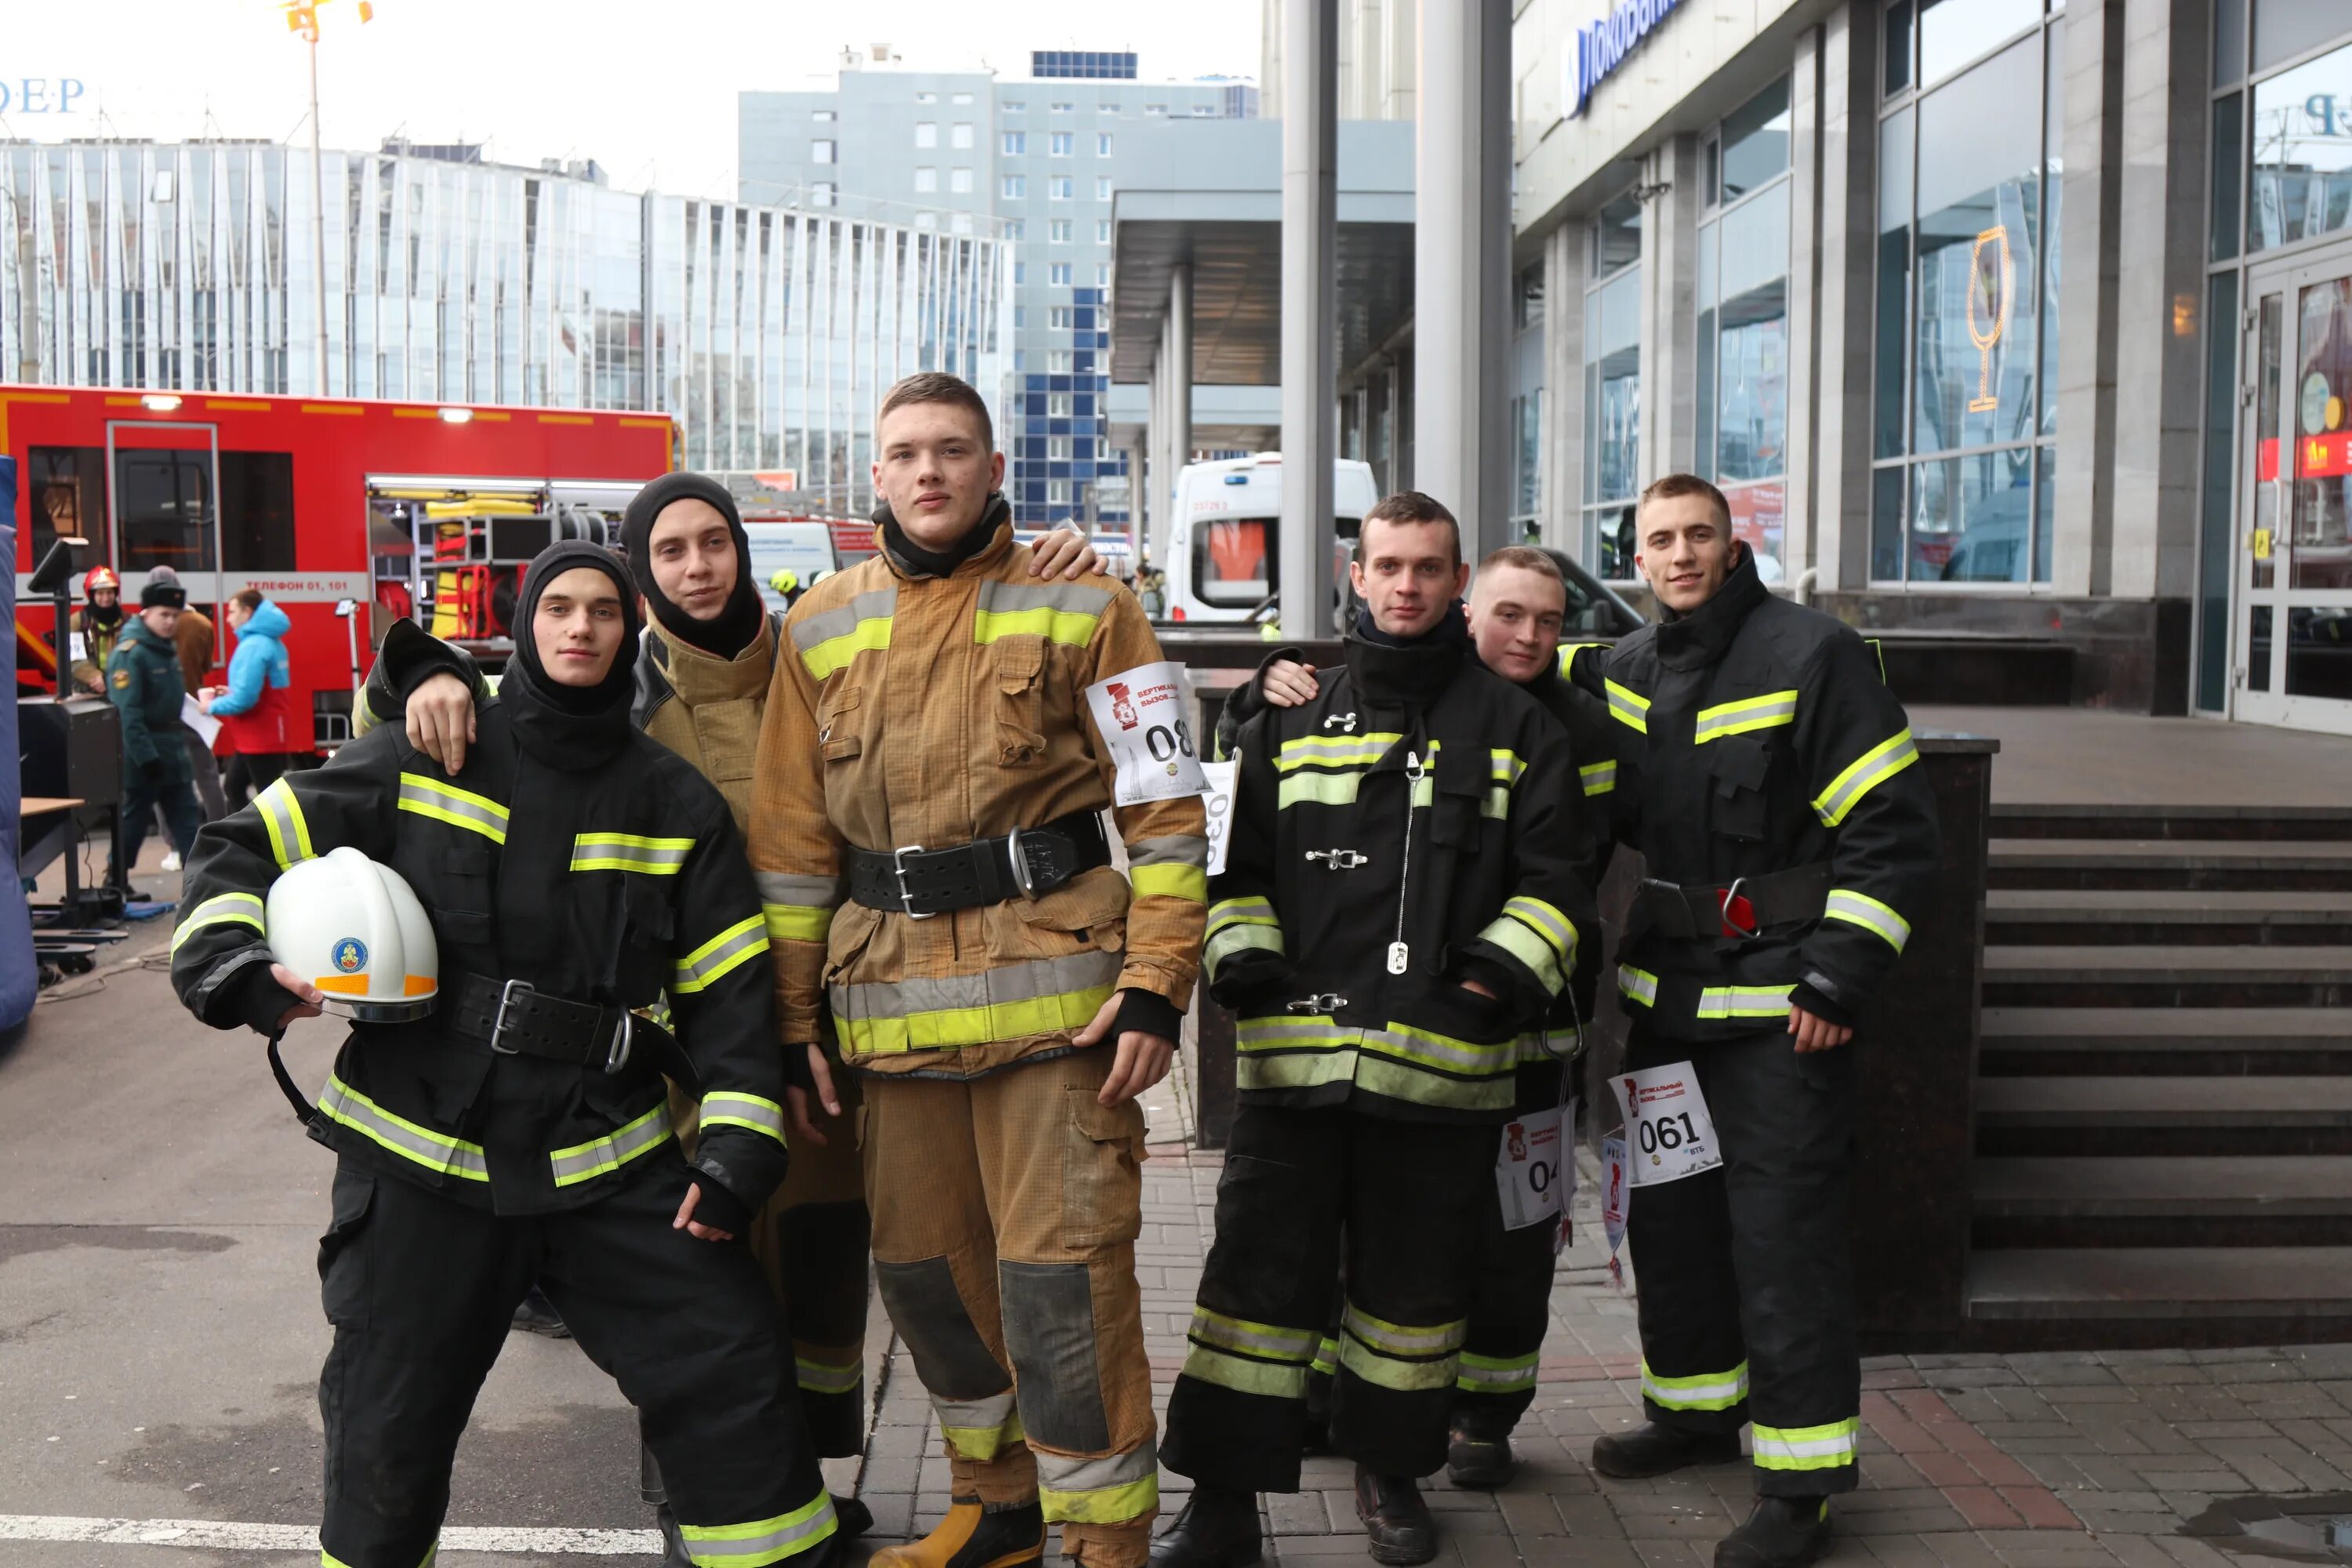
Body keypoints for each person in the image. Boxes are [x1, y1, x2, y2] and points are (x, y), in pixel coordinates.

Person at [370, 474, 1109, 1563]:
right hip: (685, 1040)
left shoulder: (815, 656)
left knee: (821, 1259)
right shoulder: (621, 690)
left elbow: (959, 655)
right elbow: (495, 711)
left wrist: (1057, 559)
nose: (697, 567)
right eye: (668, 553)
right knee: (701, 1274)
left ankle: (788, 1489)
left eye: (713, 542)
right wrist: (422, 667)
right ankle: (694, 1496)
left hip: (827, 1011)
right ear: (641, 573)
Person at [169, 541, 849, 1568]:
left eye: (604, 613)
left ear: (632, 634)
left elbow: (730, 996)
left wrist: (737, 1155)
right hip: (421, 1161)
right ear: (527, 622)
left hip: (606, 1160)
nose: (581, 628)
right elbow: (238, 846)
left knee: (732, 1377)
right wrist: (240, 970)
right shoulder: (427, 749)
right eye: (560, 608)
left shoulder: (675, 805)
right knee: (386, 1430)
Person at [751, 371, 1205, 1568]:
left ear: (994, 470)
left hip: (1060, 1016)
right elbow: (794, 851)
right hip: (888, 1019)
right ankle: (996, 1507)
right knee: (922, 1276)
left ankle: (1106, 1544)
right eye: (906, 453)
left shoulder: (1089, 603)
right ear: (877, 475)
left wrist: (1159, 981)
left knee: (1063, 1285)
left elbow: (1164, 811)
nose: (930, 471)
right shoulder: (819, 625)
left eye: (954, 450)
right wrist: (795, 1020)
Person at [1152, 494, 1594, 1568]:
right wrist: (1243, 964)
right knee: (1253, 1293)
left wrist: (1487, 991)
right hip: (1295, 1067)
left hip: (1443, 1074)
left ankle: (1394, 1476)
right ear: (1357, 577)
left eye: (1429, 567)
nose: (1407, 586)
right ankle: (1220, 1507)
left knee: (1410, 1298)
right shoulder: (1289, 712)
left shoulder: (1520, 728)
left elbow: (1559, 891)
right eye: (1389, 565)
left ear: (1457, 583)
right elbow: (1229, 865)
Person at [1566, 474, 1938, 1568]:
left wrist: (1838, 981)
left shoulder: (1814, 655)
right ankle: (1692, 1414)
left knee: (1785, 1245)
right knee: (1674, 1229)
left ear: (1734, 548)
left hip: (1784, 1012)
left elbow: (1895, 830)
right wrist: (1281, 688)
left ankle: (1801, 1481)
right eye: (1659, 541)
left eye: (1699, 537)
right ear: (1637, 557)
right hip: (1668, 1004)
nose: (1680, 556)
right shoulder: (1623, 671)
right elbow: (1520, 706)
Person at [107, 579, 206, 884]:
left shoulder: (165, 649)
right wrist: (147, 758)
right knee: (132, 824)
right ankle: (115, 884)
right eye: (164, 615)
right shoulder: (131, 653)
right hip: (145, 756)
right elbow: (128, 713)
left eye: (175, 616)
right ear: (146, 612)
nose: (170, 622)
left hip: (174, 752)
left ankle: (201, 886)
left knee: (189, 823)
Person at [148, 564, 229, 827]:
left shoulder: (148, 625)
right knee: (207, 776)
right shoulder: (201, 624)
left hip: (160, 713)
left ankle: (172, 842)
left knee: (162, 778)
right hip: (194, 710)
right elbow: (205, 667)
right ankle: (219, 829)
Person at [204, 590, 298, 809]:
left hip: (259, 738)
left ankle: (258, 839)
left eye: (232, 611)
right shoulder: (270, 642)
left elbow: (245, 700)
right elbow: (259, 689)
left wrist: (210, 706)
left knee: (259, 796)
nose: (227, 618)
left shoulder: (254, 646)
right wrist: (230, 692)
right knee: (237, 787)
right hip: (266, 735)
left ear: (247, 612)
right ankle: (250, 837)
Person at [68, 565, 125, 695]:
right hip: (85, 690)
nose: (106, 598)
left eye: (109, 592)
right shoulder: (77, 622)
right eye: (100, 593)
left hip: (120, 686)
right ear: (92, 595)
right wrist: (96, 678)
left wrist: (112, 680)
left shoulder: (128, 621)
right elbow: (74, 658)